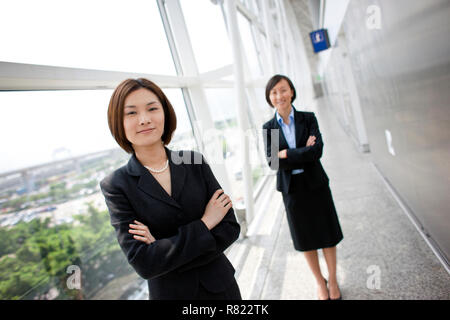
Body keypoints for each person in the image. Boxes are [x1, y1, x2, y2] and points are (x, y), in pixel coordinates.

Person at [100, 78, 242, 300]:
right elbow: (144, 262)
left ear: (165, 113)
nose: (144, 119)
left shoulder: (194, 162)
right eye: (132, 113)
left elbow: (230, 228)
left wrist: (163, 248)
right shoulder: (116, 185)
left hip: (221, 288)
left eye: (152, 108)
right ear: (118, 122)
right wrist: (206, 223)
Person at [262, 74, 344, 300]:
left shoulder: (308, 118)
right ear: (270, 98)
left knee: (327, 234)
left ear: (292, 92)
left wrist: (287, 153)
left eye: (283, 90)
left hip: (316, 185)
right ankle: (320, 282)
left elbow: (317, 151)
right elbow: (272, 162)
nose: (280, 96)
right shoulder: (268, 128)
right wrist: (301, 152)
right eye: (274, 92)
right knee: (305, 239)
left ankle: (334, 280)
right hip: (292, 191)